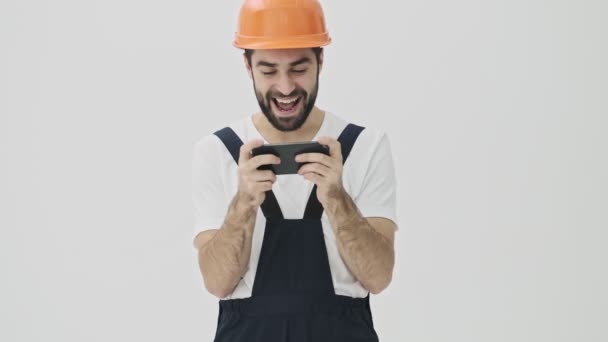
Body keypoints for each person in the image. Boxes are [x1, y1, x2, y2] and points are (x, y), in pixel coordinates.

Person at [191, 0, 398, 340]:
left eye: (299, 68)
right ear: (247, 65)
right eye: (269, 70)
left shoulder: (366, 146)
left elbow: (378, 278)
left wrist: (336, 199)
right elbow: (216, 283)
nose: (285, 88)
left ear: (321, 60)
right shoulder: (216, 151)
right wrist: (243, 204)